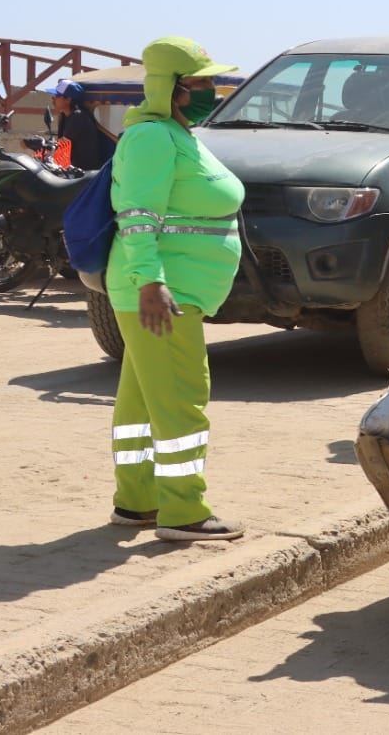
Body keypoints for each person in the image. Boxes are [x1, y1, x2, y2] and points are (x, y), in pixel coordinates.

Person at [106, 37, 247, 543]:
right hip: (163, 293)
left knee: (143, 402)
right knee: (182, 399)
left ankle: (137, 501)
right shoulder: (151, 139)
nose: (213, 90)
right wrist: (151, 282)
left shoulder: (175, 133)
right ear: (172, 88)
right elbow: (137, 216)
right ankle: (184, 511)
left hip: (167, 289)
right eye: (203, 83)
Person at [43, 79, 116, 170]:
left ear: (68, 99)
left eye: (57, 96)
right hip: (72, 170)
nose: (53, 98)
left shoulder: (79, 117)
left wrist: (41, 146)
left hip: (83, 173)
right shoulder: (65, 116)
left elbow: (62, 143)